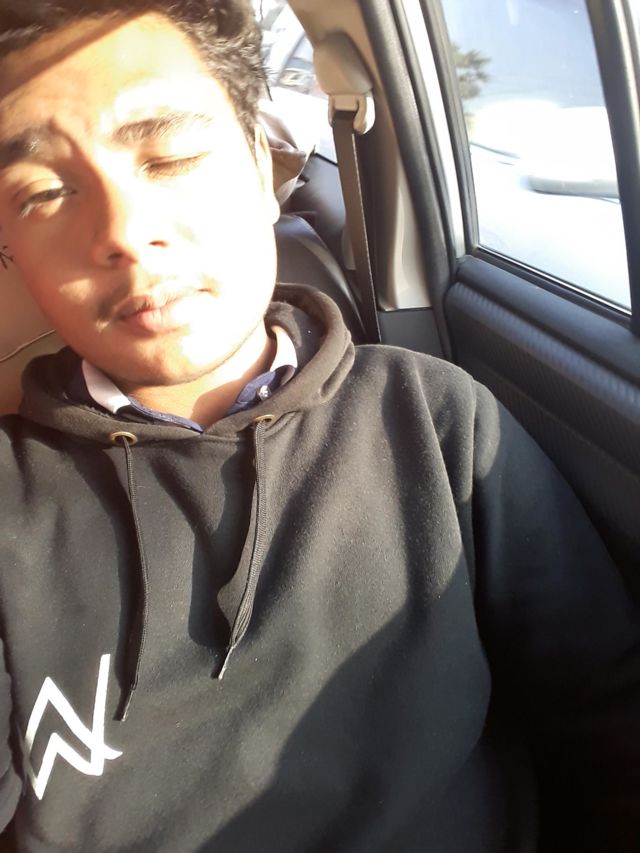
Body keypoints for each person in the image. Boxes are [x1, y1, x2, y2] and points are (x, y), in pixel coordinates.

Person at [0, 2, 638, 851]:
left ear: (262, 165)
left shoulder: (433, 419)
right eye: (43, 192)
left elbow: (609, 720)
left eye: (171, 156)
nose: (123, 233)